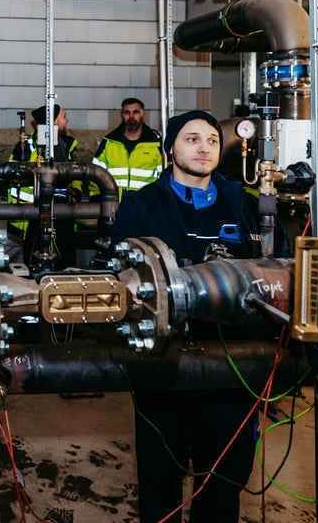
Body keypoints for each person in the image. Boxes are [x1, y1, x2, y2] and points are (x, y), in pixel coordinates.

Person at [111, 110, 271, 523]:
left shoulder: (245, 205)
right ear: (170, 149)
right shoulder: (141, 205)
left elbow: (275, 275)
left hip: (233, 369)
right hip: (164, 367)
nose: (204, 148)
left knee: (222, 487)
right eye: (192, 139)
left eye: (212, 141)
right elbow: (124, 275)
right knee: (159, 486)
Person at [7, 104, 80, 268]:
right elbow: (12, 173)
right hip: (34, 213)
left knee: (66, 261)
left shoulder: (67, 144)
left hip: (64, 213)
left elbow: (78, 174)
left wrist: (76, 192)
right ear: (52, 121)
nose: (66, 121)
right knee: (34, 262)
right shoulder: (25, 147)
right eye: (63, 116)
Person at [89, 97, 163, 202]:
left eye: (136, 112)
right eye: (127, 112)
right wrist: (96, 198)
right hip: (114, 207)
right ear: (122, 115)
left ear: (143, 115)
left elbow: (163, 178)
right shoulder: (109, 142)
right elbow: (96, 173)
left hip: (145, 207)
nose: (131, 116)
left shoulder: (155, 145)